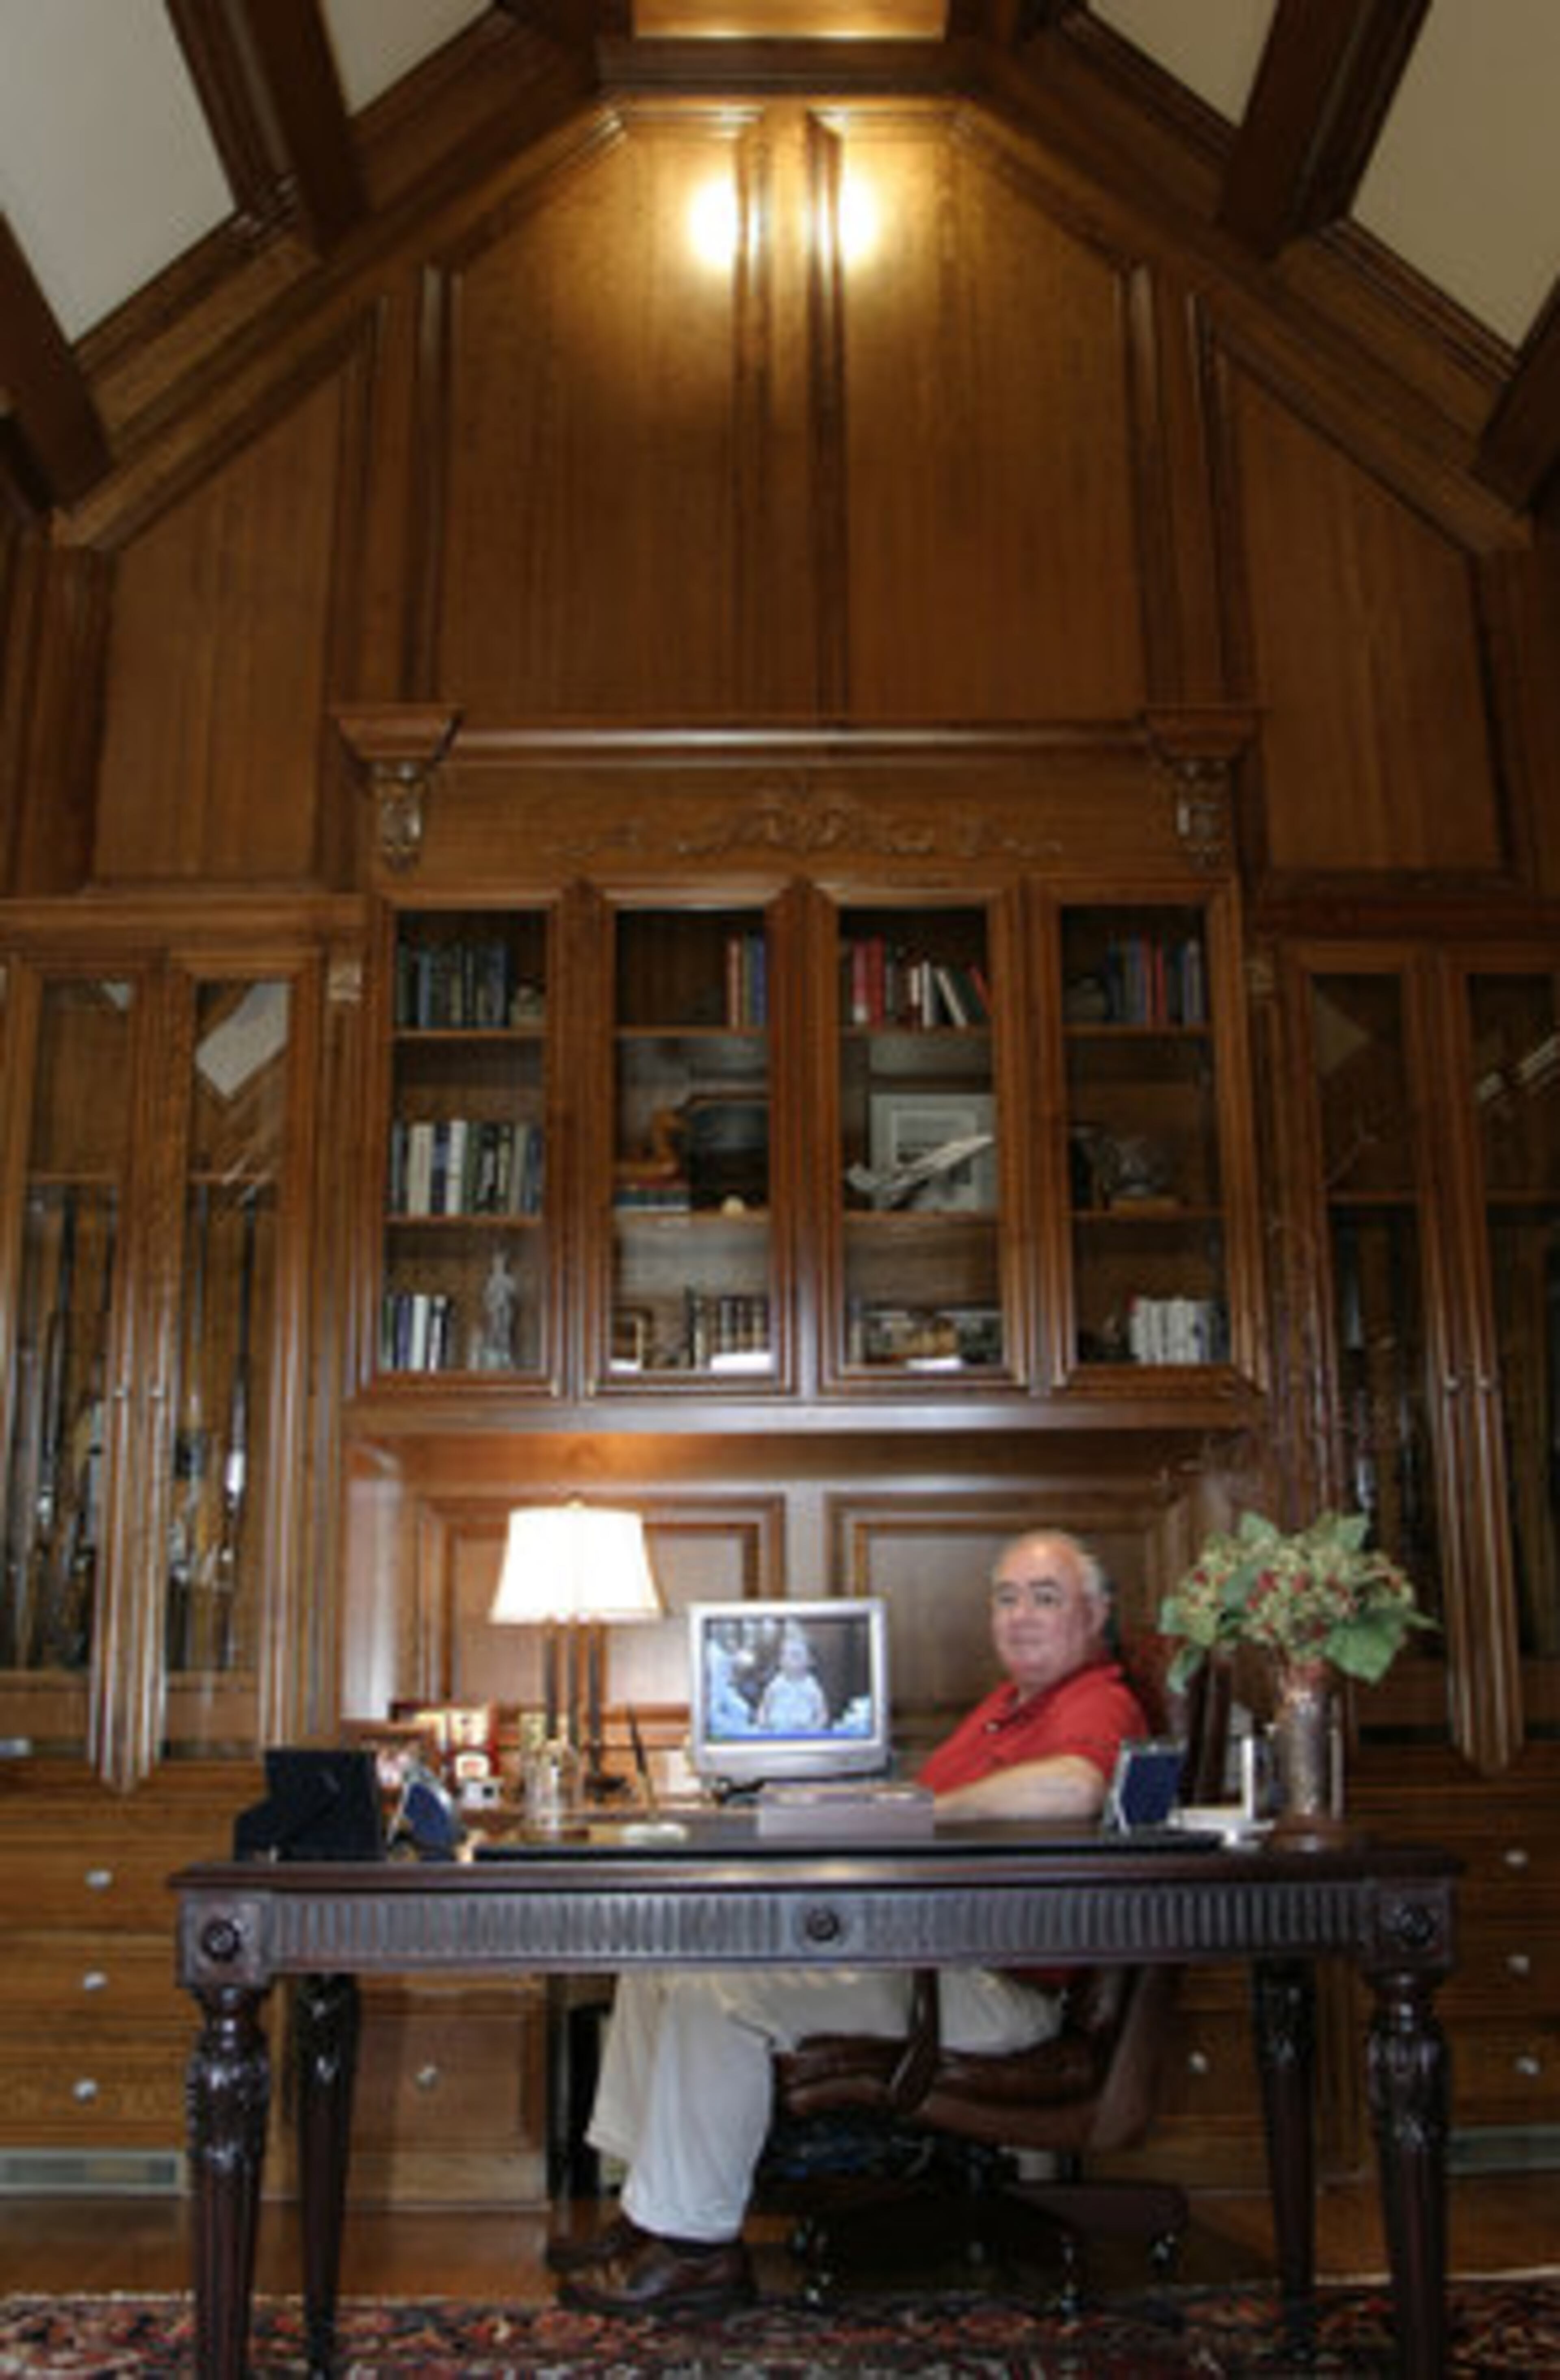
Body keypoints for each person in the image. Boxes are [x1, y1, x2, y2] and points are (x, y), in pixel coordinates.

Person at [548, 1528, 1147, 2316]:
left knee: (714, 1993)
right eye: (1006, 1598)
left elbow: (1074, 1788)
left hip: (995, 1986)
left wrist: (928, 1810)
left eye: (1046, 1597)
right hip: (924, 1955)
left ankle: (698, 2253)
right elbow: (912, 1807)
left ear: (1095, 1613)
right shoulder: (1006, 1707)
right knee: (660, 1960)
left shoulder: (1099, 1700)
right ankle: (646, 2215)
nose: (1021, 1616)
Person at [754, 1624, 829, 1734]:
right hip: (777, 1732)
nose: (788, 1660)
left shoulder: (811, 1686)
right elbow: (765, 1706)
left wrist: (815, 1729)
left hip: (803, 1732)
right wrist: (763, 1723)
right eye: (784, 1655)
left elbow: (822, 1714)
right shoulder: (777, 1683)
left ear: (810, 1661)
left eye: (796, 1656)